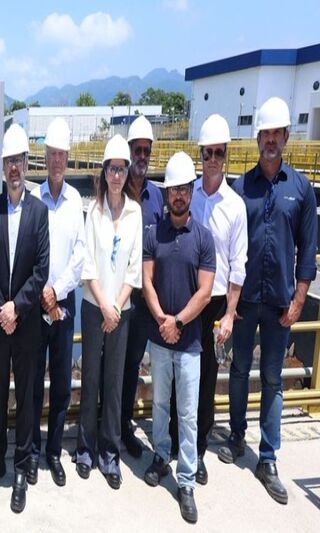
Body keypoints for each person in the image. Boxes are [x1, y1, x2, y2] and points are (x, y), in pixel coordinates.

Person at [221, 96, 317, 504]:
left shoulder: (301, 190)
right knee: (240, 369)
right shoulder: (241, 188)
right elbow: (230, 247)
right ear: (258, 138)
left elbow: (308, 250)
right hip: (245, 301)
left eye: (278, 133)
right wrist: (229, 304)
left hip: (280, 302)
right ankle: (237, 435)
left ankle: (268, 457)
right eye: (266, 133)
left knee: (274, 380)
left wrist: (299, 300)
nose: (271, 140)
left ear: (286, 137)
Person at [166, 115, 247, 486]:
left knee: (205, 380)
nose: (212, 159)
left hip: (213, 304)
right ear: (200, 155)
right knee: (177, 373)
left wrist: (229, 314)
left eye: (218, 152)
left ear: (226, 155)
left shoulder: (235, 206)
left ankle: (196, 451)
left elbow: (238, 265)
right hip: (184, 301)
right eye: (207, 152)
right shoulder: (189, 194)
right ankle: (172, 441)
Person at [142, 152, 215, 524]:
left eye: (185, 189)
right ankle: (160, 455)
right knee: (159, 406)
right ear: (167, 193)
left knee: (187, 413)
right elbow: (146, 281)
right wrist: (161, 319)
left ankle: (185, 480)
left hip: (189, 344)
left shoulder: (203, 238)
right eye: (174, 190)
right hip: (159, 339)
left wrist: (178, 323)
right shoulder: (153, 234)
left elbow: (205, 292)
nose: (179, 195)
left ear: (191, 191)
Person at [0, 124, 49, 513]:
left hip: (25, 324)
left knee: (24, 398)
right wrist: (0, 307)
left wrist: (16, 307)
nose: (14, 168)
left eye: (19, 160)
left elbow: (41, 270)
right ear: (2, 165)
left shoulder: (38, 213)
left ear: (26, 163)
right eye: (8, 161)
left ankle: (22, 469)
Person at [75, 134, 142, 490]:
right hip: (93, 306)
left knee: (114, 383)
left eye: (121, 169)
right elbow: (87, 264)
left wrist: (116, 307)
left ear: (127, 172)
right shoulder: (94, 212)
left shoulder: (135, 212)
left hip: (122, 310)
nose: (116, 175)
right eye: (111, 169)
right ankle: (85, 448)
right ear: (103, 172)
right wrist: (103, 304)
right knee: (91, 379)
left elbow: (134, 269)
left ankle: (109, 453)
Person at [29, 118, 85, 487]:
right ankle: (33, 451)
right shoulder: (34, 199)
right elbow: (29, 252)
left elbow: (79, 255)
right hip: (38, 306)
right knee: (35, 381)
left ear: (67, 157)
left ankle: (53, 451)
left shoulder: (75, 201)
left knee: (61, 382)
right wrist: (43, 293)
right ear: (45, 156)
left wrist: (57, 291)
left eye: (62, 155)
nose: (57, 161)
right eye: (51, 154)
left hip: (63, 306)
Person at [121, 115, 164, 458]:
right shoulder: (114, 192)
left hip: (145, 299)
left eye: (146, 150)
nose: (141, 156)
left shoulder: (158, 198)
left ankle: (123, 425)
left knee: (133, 362)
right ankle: (106, 424)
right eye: (137, 149)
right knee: (110, 362)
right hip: (116, 296)